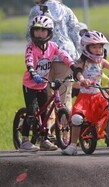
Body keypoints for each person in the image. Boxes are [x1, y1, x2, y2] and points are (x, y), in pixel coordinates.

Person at [62, 31, 109, 156]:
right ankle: (73, 145)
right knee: (77, 118)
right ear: (86, 48)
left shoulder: (101, 62)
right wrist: (82, 80)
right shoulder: (83, 62)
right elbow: (77, 71)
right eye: (94, 47)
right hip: (85, 98)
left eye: (100, 47)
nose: (98, 50)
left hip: (98, 96)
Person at [20, 15, 77, 152]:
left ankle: (44, 140)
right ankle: (25, 141)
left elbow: (64, 55)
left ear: (49, 32)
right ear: (32, 32)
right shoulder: (31, 47)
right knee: (32, 112)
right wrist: (33, 72)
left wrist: (74, 67)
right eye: (37, 30)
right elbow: (28, 60)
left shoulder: (53, 46)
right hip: (30, 85)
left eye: (43, 30)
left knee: (45, 113)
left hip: (43, 85)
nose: (39, 33)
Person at [26, 0, 81, 111]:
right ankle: (65, 131)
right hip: (66, 54)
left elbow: (29, 35)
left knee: (47, 97)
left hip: (45, 55)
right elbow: (76, 32)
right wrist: (78, 56)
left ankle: (48, 130)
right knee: (64, 97)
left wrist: (31, 57)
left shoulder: (35, 11)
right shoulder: (66, 10)